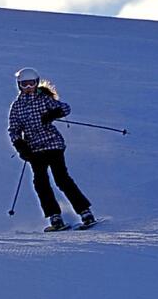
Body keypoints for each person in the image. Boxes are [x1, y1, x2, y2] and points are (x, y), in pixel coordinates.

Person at [8, 67, 95, 231]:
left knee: (61, 179)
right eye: (24, 84)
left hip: (53, 144)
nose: (28, 88)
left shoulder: (43, 99)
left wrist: (53, 113)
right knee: (40, 182)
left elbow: (66, 108)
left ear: (36, 83)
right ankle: (54, 216)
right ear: (19, 85)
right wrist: (20, 145)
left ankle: (85, 212)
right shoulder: (17, 106)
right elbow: (13, 129)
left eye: (31, 84)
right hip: (34, 149)